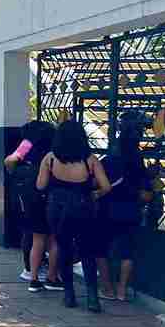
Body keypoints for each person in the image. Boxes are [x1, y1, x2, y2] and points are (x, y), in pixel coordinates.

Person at [36, 120, 111, 311]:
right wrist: (95, 193)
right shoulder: (90, 160)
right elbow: (106, 187)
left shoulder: (50, 159)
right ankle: (93, 298)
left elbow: (40, 185)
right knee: (87, 252)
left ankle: (69, 295)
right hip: (84, 208)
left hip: (57, 209)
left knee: (64, 249)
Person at [95, 111, 152, 301]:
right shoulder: (137, 157)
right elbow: (145, 190)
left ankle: (106, 288)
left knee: (101, 248)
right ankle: (121, 290)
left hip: (107, 207)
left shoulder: (112, 155)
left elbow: (101, 180)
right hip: (130, 208)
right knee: (127, 251)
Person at [4, 120, 58, 292]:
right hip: (51, 190)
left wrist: (17, 173)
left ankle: (31, 272)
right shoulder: (55, 144)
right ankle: (52, 275)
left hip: (29, 190)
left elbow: (10, 161)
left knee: (33, 233)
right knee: (52, 236)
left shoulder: (27, 143)